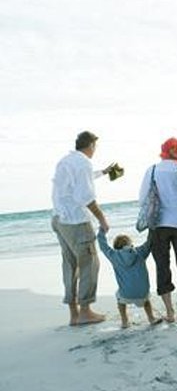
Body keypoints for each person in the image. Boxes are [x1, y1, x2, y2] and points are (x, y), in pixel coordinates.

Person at [51, 131, 115, 325]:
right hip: (77, 221)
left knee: (70, 265)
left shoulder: (66, 160)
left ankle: (74, 314)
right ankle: (86, 311)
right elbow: (85, 196)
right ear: (91, 146)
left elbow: (76, 185)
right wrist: (102, 219)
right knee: (89, 264)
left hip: (59, 219)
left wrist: (103, 172)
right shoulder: (84, 163)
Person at [138, 137, 177, 323]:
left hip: (158, 225)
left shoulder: (152, 170)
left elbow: (142, 198)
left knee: (162, 266)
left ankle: (170, 312)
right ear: (176, 151)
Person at [97, 228, 162, 328]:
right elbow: (149, 242)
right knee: (146, 300)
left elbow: (103, 246)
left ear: (116, 247)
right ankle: (151, 318)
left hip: (126, 293)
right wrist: (152, 228)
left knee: (120, 299)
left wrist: (101, 232)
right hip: (142, 292)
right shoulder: (140, 252)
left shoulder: (113, 255)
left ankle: (125, 321)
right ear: (130, 244)